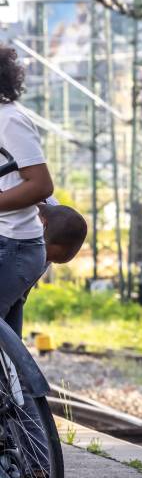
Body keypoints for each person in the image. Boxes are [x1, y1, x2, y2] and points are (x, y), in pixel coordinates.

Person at [0, 44, 54, 338]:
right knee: (8, 347)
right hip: (9, 244)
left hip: (15, 247)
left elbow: (41, 185)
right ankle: (21, 386)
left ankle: (28, 385)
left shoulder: (9, 120)